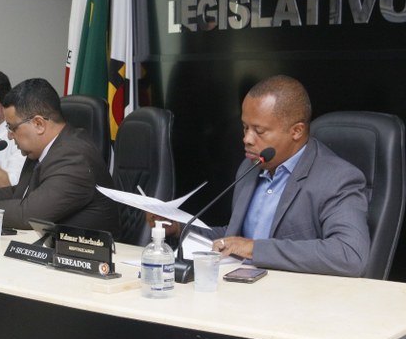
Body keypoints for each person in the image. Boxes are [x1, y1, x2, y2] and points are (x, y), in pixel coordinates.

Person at [152, 75, 370, 277]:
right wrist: (179, 228)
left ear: (296, 131)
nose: (247, 139)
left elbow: (349, 254)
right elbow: (235, 238)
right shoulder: (251, 168)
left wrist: (254, 249)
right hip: (241, 288)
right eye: (245, 127)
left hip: (297, 298)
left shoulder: (337, 178)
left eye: (259, 131)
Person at [0, 77, 120, 235]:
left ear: (38, 124)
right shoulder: (41, 150)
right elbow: (18, 193)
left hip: (87, 254)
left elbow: (29, 213)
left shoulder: (74, 157)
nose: (10, 136)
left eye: (12, 127)